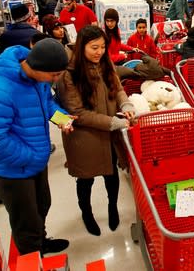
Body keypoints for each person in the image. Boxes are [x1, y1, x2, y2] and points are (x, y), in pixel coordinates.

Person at [0, 39, 72, 255]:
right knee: (25, 222)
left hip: (34, 163)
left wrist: (61, 119)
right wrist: (29, 156)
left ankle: (41, 243)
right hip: (13, 171)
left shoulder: (37, 81)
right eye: (54, 75)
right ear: (37, 67)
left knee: (42, 206)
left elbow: (46, 104)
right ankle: (32, 257)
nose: (56, 80)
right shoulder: (1, 89)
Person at [56, 26, 136, 236]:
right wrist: (113, 122)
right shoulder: (69, 74)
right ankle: (87, 213)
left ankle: (112, 208)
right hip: (85, 138)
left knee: (112, 174)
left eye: (102, 47)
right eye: (94, 47)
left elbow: (117, 88)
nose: (99, 52)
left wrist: (126, 104)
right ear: (82, 46)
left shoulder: (105, 63)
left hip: (109, 133)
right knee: (86, 179)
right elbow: (78, 113)